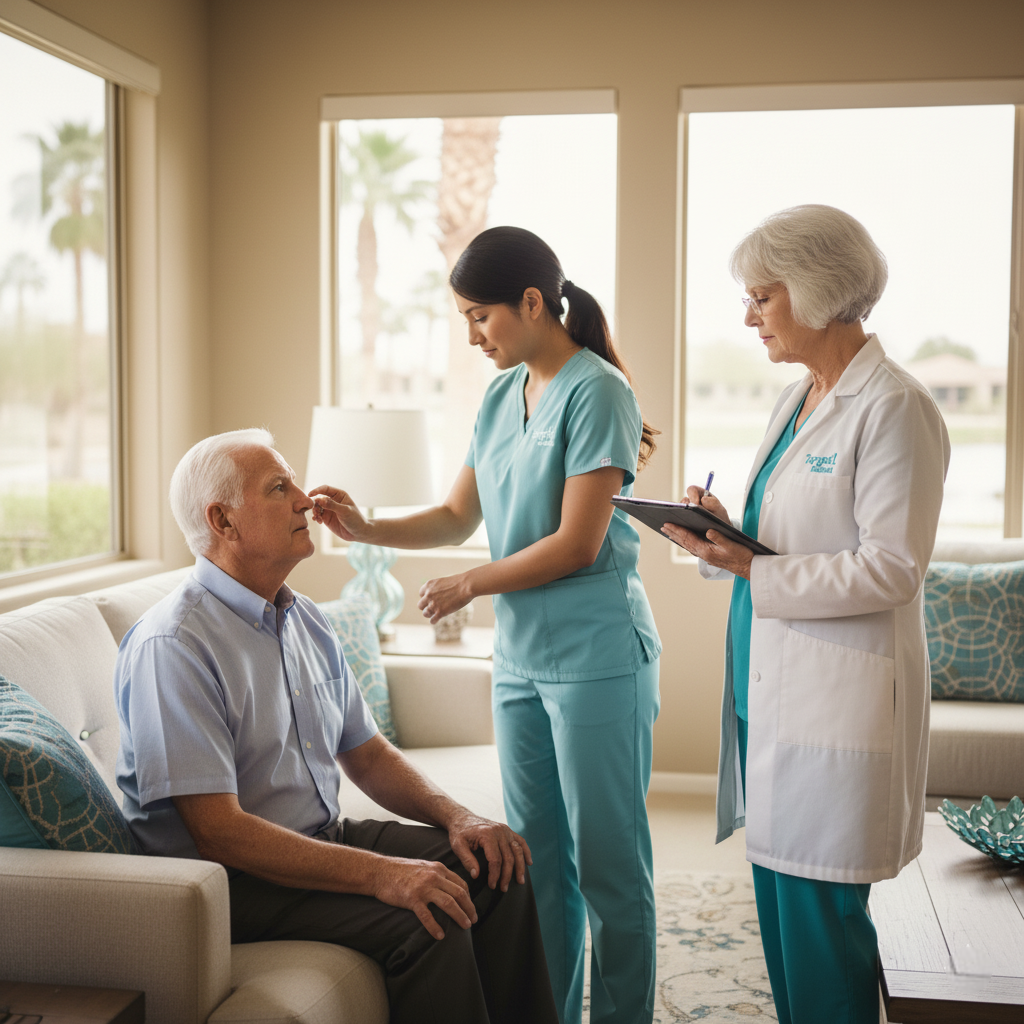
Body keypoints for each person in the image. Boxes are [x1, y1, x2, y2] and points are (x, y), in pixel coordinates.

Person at [310, 226, 662, 1024]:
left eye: (480, 317)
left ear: (532, 303)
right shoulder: (503, 395)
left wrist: (472, 581)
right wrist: (367, 528)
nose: (472, 337)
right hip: (522, 663)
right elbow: (453, 514)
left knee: (609, 868)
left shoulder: (599, 390)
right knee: (537, 870)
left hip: (599, 656)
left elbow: (578, 543)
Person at [114, 428, 558, 1024]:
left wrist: (460, 818)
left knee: (497, 866)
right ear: (222, 521)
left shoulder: (306, 620)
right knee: (432, 913)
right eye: (279, 488)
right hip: (229, 884)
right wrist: (385, 876)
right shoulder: (175, 645)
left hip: (317, 839)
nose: (305, 499)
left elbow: (368, 755)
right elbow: (220, 834)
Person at [664, 205, 950, 1024]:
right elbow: (791, 541)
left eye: (761, 297)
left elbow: (892, 568)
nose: (747, 316)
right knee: (784, 932)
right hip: (772, 700)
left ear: (818, 292)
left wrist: (754, 564)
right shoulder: (797, 400)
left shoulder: (895, 408)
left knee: (825, 939)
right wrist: (724, 532)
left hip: (833, 710)